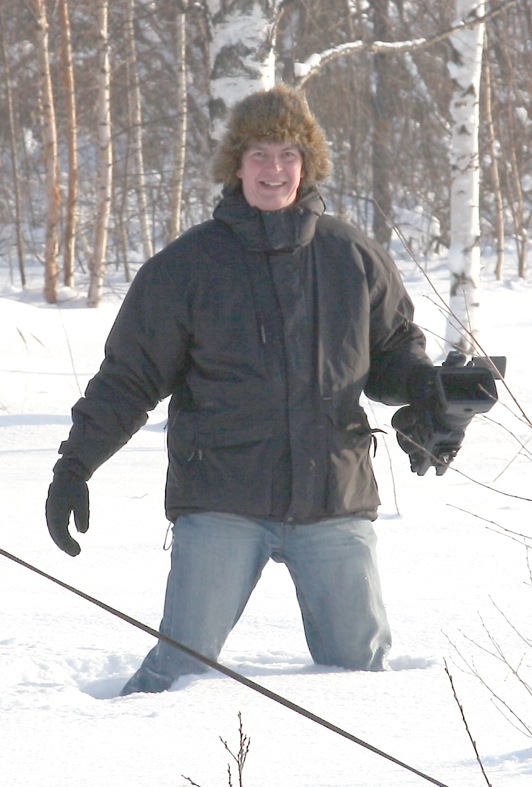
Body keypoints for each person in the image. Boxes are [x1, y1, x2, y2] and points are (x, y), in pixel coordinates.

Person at [45, 84, 434, 696]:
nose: (274, 169)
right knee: (178, 673)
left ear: (307, 164)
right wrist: (75, 466)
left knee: (360, 677)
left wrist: (428, 391)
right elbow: (128, 378)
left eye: (287, 154)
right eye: (259, 154)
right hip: (221, 498)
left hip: (333, 495)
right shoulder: (187, 266)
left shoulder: (352, 256)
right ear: (237, 165)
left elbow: (392, 354)